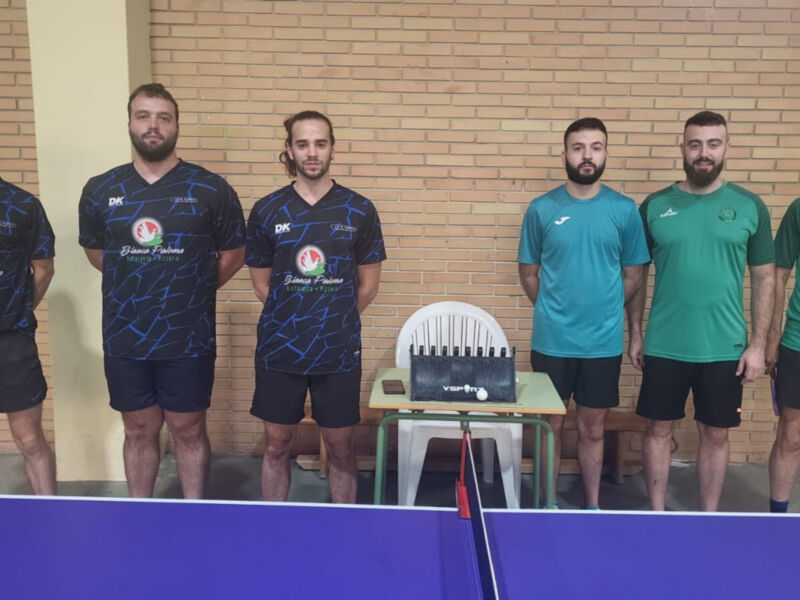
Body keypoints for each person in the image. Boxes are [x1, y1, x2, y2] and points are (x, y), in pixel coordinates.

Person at [78, 83, 245, 498]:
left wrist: (193, 287)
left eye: (163, 117)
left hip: (188, 336)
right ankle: (140, 514)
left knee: (188, 429)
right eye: (143, 116)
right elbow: (99, 253)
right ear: (130, 122)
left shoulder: (210, 189)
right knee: (137, 429)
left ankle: (193, 512)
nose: (153, 126)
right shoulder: (100, 189)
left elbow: (234, 253)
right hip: (125, 335)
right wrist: (139, 280)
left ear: (176, 126)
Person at [630, 111, 775, 511]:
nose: (703, 153)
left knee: (716, 434)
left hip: (725, 348)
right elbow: (637, 277)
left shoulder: (749, 207)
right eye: (695, 144)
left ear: (727, 148)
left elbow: (765, 279)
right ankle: (656, 513)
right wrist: (636, 332)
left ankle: (709, 517)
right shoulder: (656, 206)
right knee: (658, 429)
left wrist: (758, 345)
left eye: (713, 144)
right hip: (665, 343)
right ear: (683, 148)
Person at [246, 111, 385, 503]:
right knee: (276, 445)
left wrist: (331, 315)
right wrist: (296, 315)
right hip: (280, 347)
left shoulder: (358, 210)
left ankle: (346, 527)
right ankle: (276, 524)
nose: (312, 152)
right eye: (303, 144)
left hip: (337, 348)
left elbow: (368, 285)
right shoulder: (267, 210)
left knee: (341, 448)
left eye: (320, 143)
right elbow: (261, 283)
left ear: (333, 148)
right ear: (289, 149)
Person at [518, 117, 649, 509]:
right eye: (578, 147)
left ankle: (592, 504)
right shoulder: (541, 209)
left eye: (595, 147)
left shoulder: (624, 210)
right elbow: (528, 273)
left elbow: (634, 273)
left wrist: (606, 305)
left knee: (594, 428)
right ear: (564, 154)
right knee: (551, 426)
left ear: (606, 153)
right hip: (552, 341)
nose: (587, 155)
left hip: (602, 344)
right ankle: (547, 503)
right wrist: (553, 307)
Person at [0, 177, 56, 495]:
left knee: (30, 439)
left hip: (11, 341)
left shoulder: (22, 204)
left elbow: (44, 267)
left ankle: (50, 516)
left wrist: (18, 310)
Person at [766, 197, 800, 512]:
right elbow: (778, 274)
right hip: (797, 342)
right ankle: (778, 519)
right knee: (791, 434)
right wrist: (773, 336)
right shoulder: (799, 209)